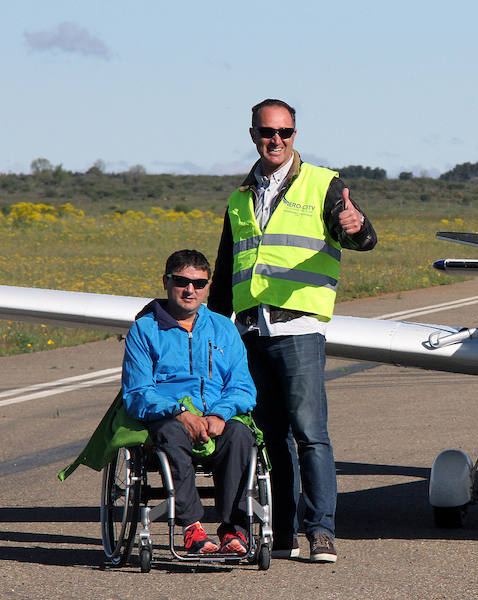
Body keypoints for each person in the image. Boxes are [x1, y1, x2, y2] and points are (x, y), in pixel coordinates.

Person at [208, 98, 377, 563]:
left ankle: (321, 532)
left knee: (310, 434)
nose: (275, 140)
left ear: (295, 135)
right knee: (270, 437)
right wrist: (212, 329)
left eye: (284, 132)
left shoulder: (325, 184)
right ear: (253, 135)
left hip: (299, 327)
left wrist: (356, 226)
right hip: (251, 332)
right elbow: (226, 270)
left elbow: (361, 236)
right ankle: (282, 533)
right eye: (267, 132)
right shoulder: (240, 197)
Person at [122, 249, 257, 556]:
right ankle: (192, 527)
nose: (190, 289)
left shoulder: (223, 328)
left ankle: (233, 529)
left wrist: (221, 414)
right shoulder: (144, 330)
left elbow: (242, 386)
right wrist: (179, 411)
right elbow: (137, 391)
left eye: (199, 283)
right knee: (171, 433)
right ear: (166, 282)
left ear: (208, 286)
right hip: (168, 418)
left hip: (216, 415)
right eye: (181, 281)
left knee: (240, 435)